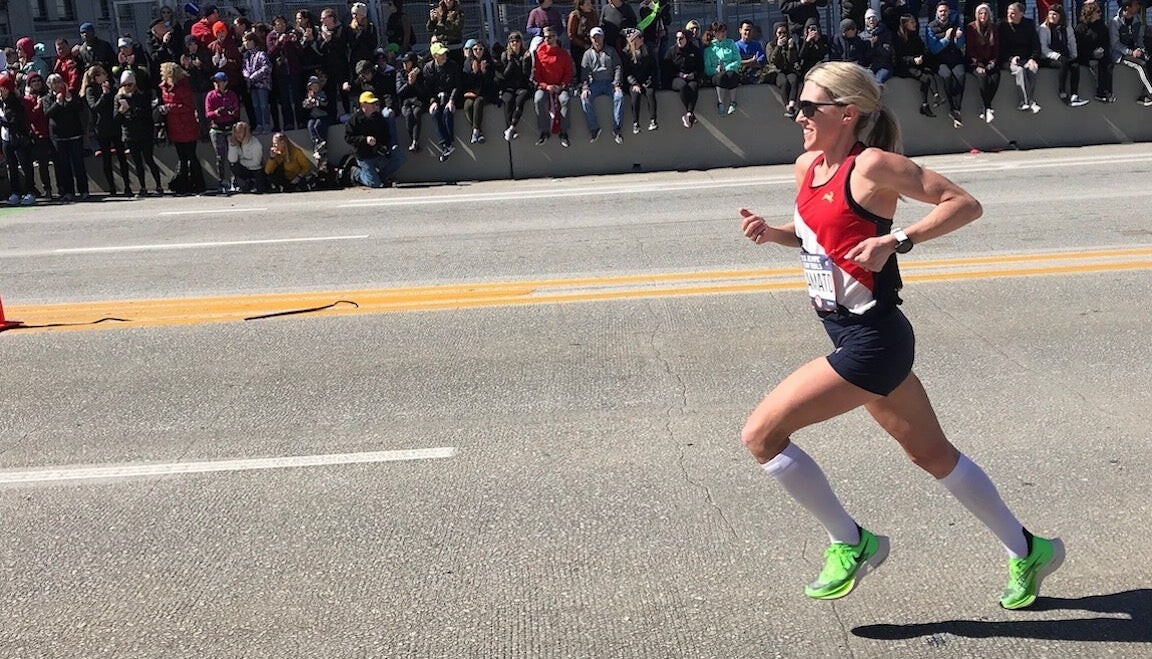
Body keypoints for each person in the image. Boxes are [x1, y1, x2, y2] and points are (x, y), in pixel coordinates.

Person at [738, 60, 1063, 611]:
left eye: (809, 106)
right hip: (850, 334)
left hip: (873, 342)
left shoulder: (873, 167)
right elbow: (818, 233)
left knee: (761, 436)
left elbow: (964, 204)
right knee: (933, 456)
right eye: (797, 104)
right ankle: (1029, 549)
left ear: (847, 114)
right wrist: (773, 234)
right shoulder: (807, 167)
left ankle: (851, 542)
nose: (798, 115)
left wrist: (898, 240)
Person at [82, 64, 132, 196]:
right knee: (106, 158)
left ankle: (127, 186)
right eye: (103, 74)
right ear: (96, 77)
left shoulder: (112, 87)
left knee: (121, 156)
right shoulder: (90, 90)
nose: (106, 76)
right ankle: (112, 187)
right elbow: (94, 107)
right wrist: (104, 95)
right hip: (102, 127)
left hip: (115, 125)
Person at [158, 61, 206, 194]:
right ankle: (184, 186)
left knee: (191, 156)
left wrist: (171, 108)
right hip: (174, 126)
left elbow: (189, 106)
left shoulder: (183, 87)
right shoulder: (164, 88)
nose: (161, 74)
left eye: (163, 72)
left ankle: (199, 184)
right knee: (182, 158)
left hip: (187, 125)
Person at [115, 70, 164, 196]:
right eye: (124, 85)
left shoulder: (142, 96)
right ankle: (142, 187)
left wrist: (131, 110)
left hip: (144, 133)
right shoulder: (119, 98)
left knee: (149, 159)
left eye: (129, 85)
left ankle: (159, 186)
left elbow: (146, 114)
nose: (127, 87)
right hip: (130, 134)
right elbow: (116, 118)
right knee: (137, 162)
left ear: (134, 84)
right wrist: (121, 111)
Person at [345, 90, 406, 187]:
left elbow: (386, 135)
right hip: (364, 156)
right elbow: (348, 138)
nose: (374, 105)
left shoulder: (379, 118)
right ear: (363, 105)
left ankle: (379, 178)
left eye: (374, 103)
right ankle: (355, 173)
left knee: (399, 159)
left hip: (378, 154)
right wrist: (365, 140)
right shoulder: (354, 120)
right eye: (371, 103)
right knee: (374, 184)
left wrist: (384, 146)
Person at [581, 27, 625, 143]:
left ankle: (617, 128)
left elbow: (618, 67)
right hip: (595, 83)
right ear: (591, 39)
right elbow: (584, 72)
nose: (597, 40)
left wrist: (617, 84)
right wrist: (585, 87)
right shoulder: (587, 54)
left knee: (619, 97)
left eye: (599, 37)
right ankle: (594, 128)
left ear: (603, 37)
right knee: (585, 98)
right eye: (594, 37)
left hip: (610, 82)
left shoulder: (611, 51)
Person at [532, 26, 574, 146]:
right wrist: (546, 86)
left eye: (550, 37)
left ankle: (563, 132)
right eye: (545, 37)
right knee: (538, 100)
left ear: (556, 37)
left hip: (560, 86)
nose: (547, 39)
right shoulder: (539, 53)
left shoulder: (563, 54)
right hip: (545, 87)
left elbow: (569, 73)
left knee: (565, 100)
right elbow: (536, 75)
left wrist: (562, 85)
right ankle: (544, 131)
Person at [1039, 5, 1088, 107]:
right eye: (1050, 14)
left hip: (1064, 54)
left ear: (1060, 16)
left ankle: (1074, 95)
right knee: (1063, 63)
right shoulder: (1044, 28)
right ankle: (1062, 92)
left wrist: (1074, 55)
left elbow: (1071, 41)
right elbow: (1043, 48)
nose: (1052, 16)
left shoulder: (1066, 27)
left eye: (1055, 14)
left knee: (1075, 66)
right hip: (1049, 57)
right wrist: (1056, 56)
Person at [0, 72, 36, 205]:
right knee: (12, 166)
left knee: (26, 165)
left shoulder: (16, 102)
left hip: (18, 137)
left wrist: (3, 121)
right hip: (6, 139)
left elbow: (15, 121)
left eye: (2, 88)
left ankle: (30, 191)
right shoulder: (1, 103)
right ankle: (15, 192)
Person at [927, 1, 966, 127]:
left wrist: (958, 38)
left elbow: (960, 45)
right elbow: (934, 49)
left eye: (945, 11)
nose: (943, 13)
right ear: (937, 13)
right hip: (940, 60)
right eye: (941, 11)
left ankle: (957, 109)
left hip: (955, 57)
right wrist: (947, 38)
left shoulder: (955, 24)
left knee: (960, 75)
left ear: (949, 12)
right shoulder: (931, 26)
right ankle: (952, 106)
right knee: (947, 75)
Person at [999, 2, 1041, 112]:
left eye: (1013, 13)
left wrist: (1033, 58)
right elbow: (1001, 49)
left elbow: (1036, 45)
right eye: (1008, 13)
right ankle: (1026, 102)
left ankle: (1027, 101)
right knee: (1020, 71)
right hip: (1008, 59)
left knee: (1032, 69)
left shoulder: (1029, 24)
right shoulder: (1003, 26)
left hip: (1025, 58)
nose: (1009, 15)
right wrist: (1011, 59)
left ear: (1021, 14)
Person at [893, 14, 938, 117]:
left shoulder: (915, 36)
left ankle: (936, 95)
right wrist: (913, 60)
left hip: (916, 63)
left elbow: (922, 49)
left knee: (929, 71)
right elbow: (899, 58)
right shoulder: (899, 38)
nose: (915, 24)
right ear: (905, 24)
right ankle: (925, 105)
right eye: (912, 22)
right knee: (924, 78)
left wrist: (921, 56)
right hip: (904, 67)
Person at [1109, 0, 1152, 105]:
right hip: (1121, 54)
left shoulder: (1137, 19)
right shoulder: (1115, 22)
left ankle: (1144, 95)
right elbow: (1115, 44)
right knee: (1141, 65)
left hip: (1136, 51)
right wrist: (1130, 52)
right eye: (1135, 4)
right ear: (1127, 7)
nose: (1138, 6)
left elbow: (1140, 38)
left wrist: (1141, 49)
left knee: (1150, 61)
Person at [424, 42, 461, 161]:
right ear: (435, 56)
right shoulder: (428, 68)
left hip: (450, 96)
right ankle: (446, 144)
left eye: (444, 53)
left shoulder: (452, 65)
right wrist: (432, 101)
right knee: (435, 113)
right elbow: (428, 88)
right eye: (441, 54)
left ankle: (448, 144)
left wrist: (451, 100)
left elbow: (457, 85)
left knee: (447, 112)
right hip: (437, 98)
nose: (444, 56)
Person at [205, 71, 240, 193]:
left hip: (229, 128)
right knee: (220, 157)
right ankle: (222, 181)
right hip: (217, 129)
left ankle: (235, 181)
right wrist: (216, 112)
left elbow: (236, 112)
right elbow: (208, 113)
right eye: (215, 82)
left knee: (233, 155)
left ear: (225, 83)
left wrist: (230, 111)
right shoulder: (210, 95)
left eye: (218, 82)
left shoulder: (232, 95)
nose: (216, 84)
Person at [267, 15, 304, 130]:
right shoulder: (271, 37)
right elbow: (271, 53)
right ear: (274, 26)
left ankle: (301, 121)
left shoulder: (292, 34)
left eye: (283, 23)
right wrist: (279, 42)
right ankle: (288, 123)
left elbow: (301, 53)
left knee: (297, 97)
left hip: (294, 71)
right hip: (281, 73)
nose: (282, 25)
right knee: (285, 99)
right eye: (279, 24)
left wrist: (295, 42)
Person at [966, 2, 1000, 122]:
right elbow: (970, 50)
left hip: (989, 61)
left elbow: (996, 48)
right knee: (983, 77)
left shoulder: (993, 28)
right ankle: (988, 107)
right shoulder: (971, 27)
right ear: (977, 14)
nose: (983, 16)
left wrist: (993, 61)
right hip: (975, 62)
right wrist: (978, 65)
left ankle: (984, 107)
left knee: (995, 77)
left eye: (985, 13)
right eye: (981, 13)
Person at [23, 72, 54, 199]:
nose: (36, 83)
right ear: (29, 84)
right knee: (43, 163)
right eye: (33, 81)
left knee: (58, 161)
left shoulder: (48, 95)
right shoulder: (27, 99)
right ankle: (47, 188)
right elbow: (29, 117)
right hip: (39, 134)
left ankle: (63, 188)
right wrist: (38, 105)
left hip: (52, 132)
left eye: (38, 80)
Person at [664, 29, 704, 127]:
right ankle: (690, 114)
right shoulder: (672, 51)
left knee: (694, 86)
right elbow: (667, 70)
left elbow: (700, 67)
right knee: (683, 86)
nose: (679, 40)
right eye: (677, 38)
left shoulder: (694, 50)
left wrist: (693, 74)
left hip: (691, 76)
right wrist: (680, 75)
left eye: (681, 38)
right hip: (676, 78)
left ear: (687, 39)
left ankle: (689, 113)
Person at [1076, 1, 1114, 103]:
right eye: (1098, 12)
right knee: (1097, 65)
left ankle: (1108, 91)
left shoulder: (1102, 26)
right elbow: (1079, 48)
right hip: (1086, 56)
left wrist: (1102, 50)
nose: (1100, 14)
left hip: (1101, 54)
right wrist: (1092, 54)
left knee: (1108, 63)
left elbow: (1106, 42)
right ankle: (1100, 92)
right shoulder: (1081, 28)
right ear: (1090, 13)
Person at [621, 28, 658, 133]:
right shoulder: (626, 53)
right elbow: (626, 72)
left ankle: (653, 120)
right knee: (635, 95)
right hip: (633, 82)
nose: (642, 39)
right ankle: (636, 123)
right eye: (639, 37)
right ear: (633, 40)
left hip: (645, 80)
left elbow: (653, 68)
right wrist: (634, 83)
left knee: (650, 92)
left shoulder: (647, 51)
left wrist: (650, 80)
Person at [498, 32, 532, 141]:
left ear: (521, 42)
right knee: (508, 101)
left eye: (517, 41)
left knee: (519, 101)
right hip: (509, 86)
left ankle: (511, 127)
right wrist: (511, 62)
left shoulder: (526, 55)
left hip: (522, 86)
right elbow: (505, 75)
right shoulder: (505, 55)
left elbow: (526, 75)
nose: (515, 44)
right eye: (512, 41)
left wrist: (525, 61)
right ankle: (512, 129)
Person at [461, 40, 497, 144]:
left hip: (485, 92)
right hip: (472, 92)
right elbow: (466, 81)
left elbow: (490, 81)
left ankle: (475, 131)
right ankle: (479, 131)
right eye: (475, 49)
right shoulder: (468, 63)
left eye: (480, 49)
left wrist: (484, 71)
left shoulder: (488, 61)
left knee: (478, 102)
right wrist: (474, 72)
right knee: (468, 106)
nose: (478, 51)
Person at [704, 22, 742, 115]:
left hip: (730, 70)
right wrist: (716, 70)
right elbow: (707, 68)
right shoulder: (708, 49)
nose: (724, 33)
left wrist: (727, 67)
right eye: (722, 31)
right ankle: (720, 103)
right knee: (721, 76)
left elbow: (737, 60)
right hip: (717, 74)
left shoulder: (731, 43)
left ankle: (733, 102)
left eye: (725, 31)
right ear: (714, 33)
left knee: (732, 75)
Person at [767, 22, 802, 117]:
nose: (782, 35)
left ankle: (792, 105)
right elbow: (772, 60)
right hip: (777, 71)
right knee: (783, 82)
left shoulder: (791, 43)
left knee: (794, 80)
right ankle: (787, 106)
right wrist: (778, 47)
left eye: (784, 33)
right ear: (775, 34)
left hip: (789, 69)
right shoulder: (771, 45)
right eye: (780, 33)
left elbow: (792, 60)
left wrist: (791, 49)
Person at [241, 32, 272, 133]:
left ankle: (266, 124)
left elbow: (266, 67)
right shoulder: (246, 56)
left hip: (262, 84)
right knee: (255, 106)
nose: (245, 43)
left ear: (253, 41)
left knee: (263, 105)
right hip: (252, 85)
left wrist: (254, 76)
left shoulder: (261, 54)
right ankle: (259, 125)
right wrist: (246, 75)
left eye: (247, 41)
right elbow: (244, 68)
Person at [395, 53, 427, 151]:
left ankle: (415, 141)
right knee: (408, 115)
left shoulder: (420, 73)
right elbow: (399, 92)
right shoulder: (400, 74)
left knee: (417, 113)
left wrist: (415, 82)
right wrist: (408, 83)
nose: (405, 64)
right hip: (406, 103)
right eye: (403, 62)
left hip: (417, 101)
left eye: (407, 62)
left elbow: (423, 92)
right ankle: (412, 139)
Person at [226, 120, 267, 192]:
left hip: (257, 170)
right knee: (233, 166)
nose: (237, 134)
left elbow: (256, 163)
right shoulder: (235, 143)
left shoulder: (255, 143)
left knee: (261, 189)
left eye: (240, 132)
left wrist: (241, 161)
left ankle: (255, 183)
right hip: (246, 169)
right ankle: (248, 181)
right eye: (236, 132)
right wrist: (232, 146)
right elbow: (232, 160)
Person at [427, 0, 465, 67]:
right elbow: (429, 29)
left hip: (454, 47)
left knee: (456, 68)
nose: (448, 1)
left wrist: (441, 19)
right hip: (440, 48)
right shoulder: (438, 10)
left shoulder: (458, 12)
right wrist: (432, 20)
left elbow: (456, 28)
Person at [860, 9, 893, 84]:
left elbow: (887, 52)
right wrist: (871, 46)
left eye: (874, 18)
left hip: (884, 66)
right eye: (869, 18)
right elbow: (864, 56)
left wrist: (876, 44)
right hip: (870, 67)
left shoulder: (885, 33)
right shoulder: (862, 36)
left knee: (878, 82)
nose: (871, 20)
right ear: (866, 21)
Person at [567, 0, 597, 80]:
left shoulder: (593, 14)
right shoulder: (574, 15)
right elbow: (571, 35)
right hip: (579, 46)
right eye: (587, 4)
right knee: (581, 67)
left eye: (590, 3)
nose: (590, 5)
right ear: (581, 6)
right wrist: (584, 45)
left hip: (592, 44)